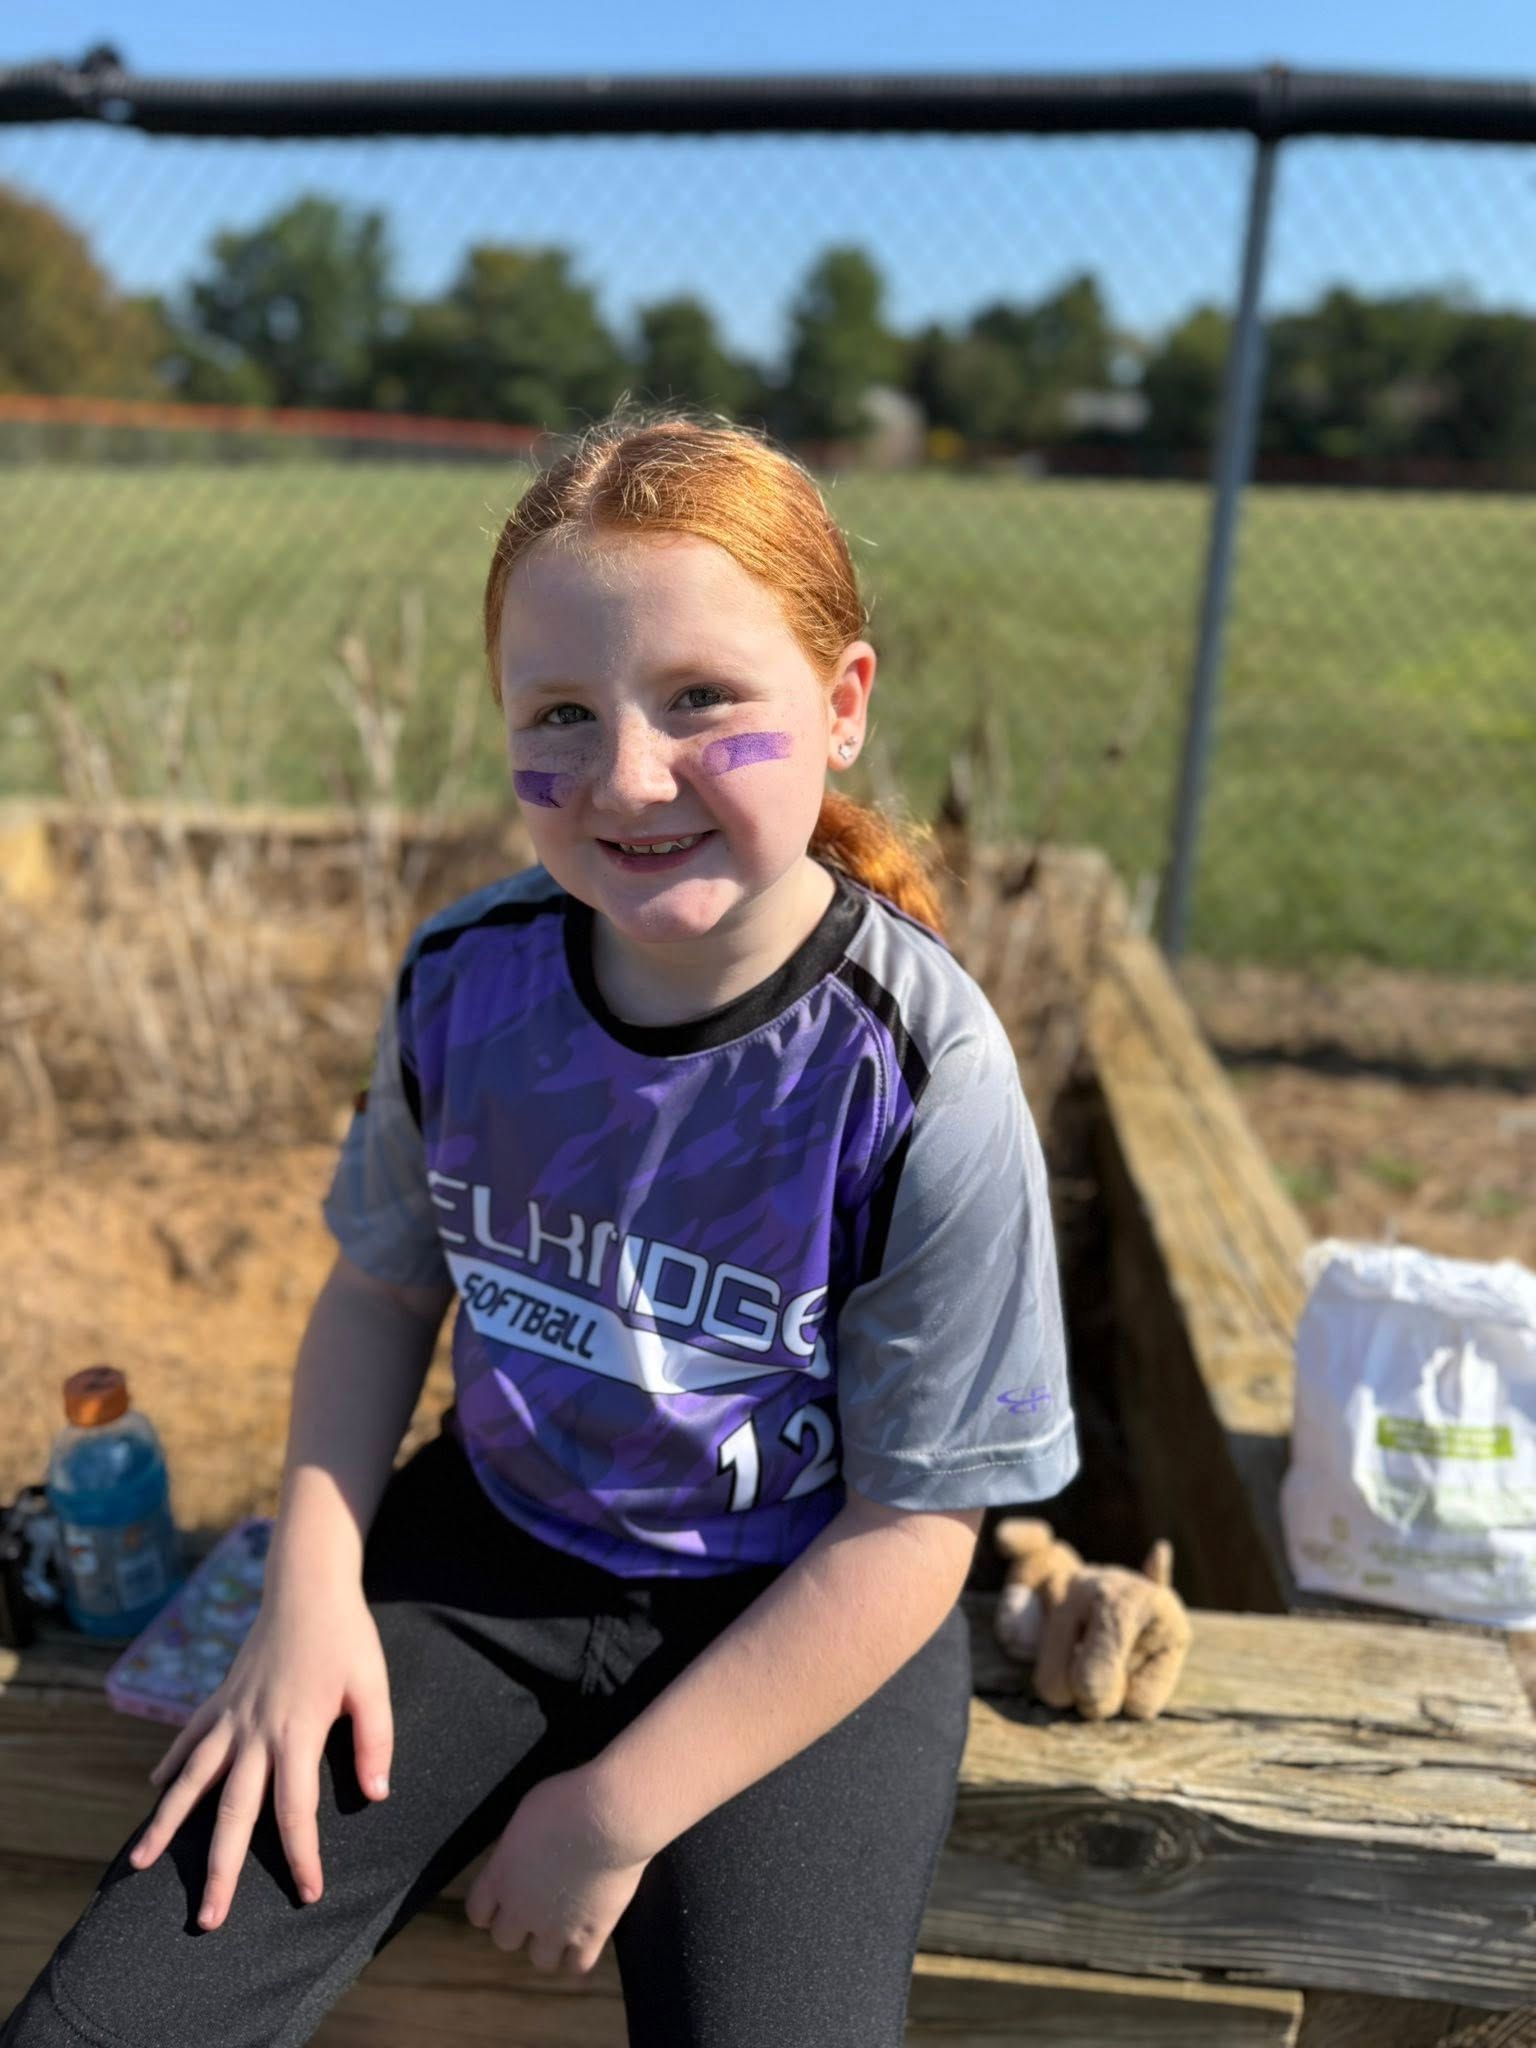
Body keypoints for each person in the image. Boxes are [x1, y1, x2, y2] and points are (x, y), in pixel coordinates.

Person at [3, 406, 1079, 2048]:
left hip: (793, 1605)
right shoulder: (469, 979)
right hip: (490, 1551)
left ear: (843, 704)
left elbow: (915, 1530)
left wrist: (613, 1812)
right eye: (562, 713)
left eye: (705, 700)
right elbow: (377, 1298)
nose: (628, 777)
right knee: (122, 2013)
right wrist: (308, 1596)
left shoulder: (922, 1069)